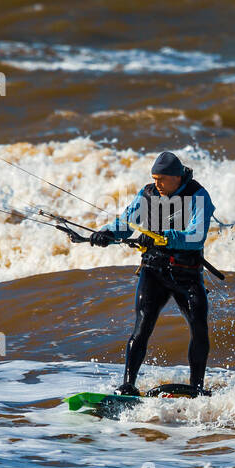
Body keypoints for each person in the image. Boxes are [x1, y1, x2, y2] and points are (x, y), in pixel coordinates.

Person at [89, 151, 215, 396]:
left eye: (162, 179)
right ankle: (128, 385)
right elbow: (125, 224)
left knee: (198, 327)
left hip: (187, 275)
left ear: (177, 177)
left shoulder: (198, 196)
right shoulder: (147, 193)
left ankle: (196, 388)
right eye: (154, 178)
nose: (157, 183)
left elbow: (196, 236)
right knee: (142, 325)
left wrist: (166, 237)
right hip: (153, 272)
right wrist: (106, 234)